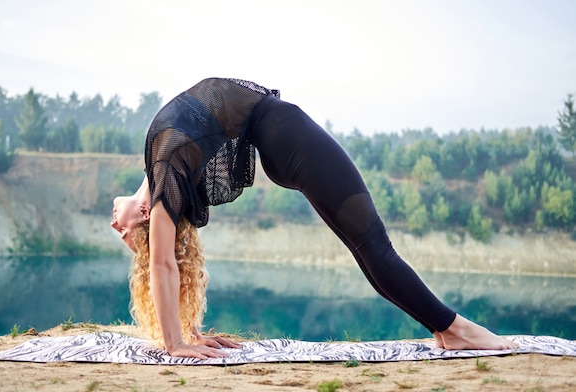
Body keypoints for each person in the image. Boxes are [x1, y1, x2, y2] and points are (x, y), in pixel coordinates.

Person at [111, 77, 517, 359]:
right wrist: (176, 343)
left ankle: (444, 329)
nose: (116, 226)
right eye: (125, 233)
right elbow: (163, 262)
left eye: (123, 233)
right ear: (146, 212)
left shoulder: (161, 165)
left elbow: (161, 251)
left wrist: (183, 335)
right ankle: (454, 328)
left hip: (281, 143)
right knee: (374, 244)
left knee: (366, 248)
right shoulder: (164, 166)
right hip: (290, 138)